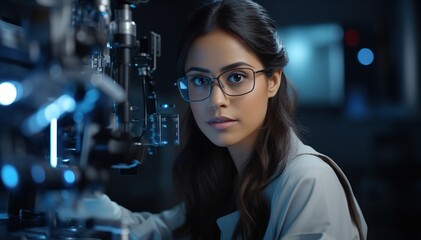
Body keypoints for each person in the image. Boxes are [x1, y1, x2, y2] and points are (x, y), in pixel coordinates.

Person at [58, 0, 368, 239]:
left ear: (273, 80)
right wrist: (67, 185)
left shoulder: (308, 181)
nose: (216, 99)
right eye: (200, 81)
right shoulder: (226, 177)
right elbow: (151, 232)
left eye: (236, 77)